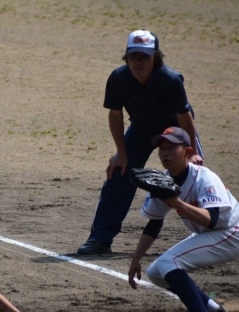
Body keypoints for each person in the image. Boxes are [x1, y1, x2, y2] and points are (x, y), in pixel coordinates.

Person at [78, 30, 204, 255]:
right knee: (119, 172)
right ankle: (100, 239)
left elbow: (184, 117)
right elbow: (115, 114)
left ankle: (210, 233)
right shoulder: (118, 78)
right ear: (126, 57)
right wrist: (121, 153)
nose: (138, 61)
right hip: (141, 129)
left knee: (194, 177)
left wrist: (192, 151)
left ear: (155, 58)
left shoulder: (170, 79)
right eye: (133, 56)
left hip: (174, 131)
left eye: (144, 56)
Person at [127, 127, 239, 312]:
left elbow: (211, 220)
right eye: (162, 148)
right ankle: (212, 309)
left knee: (169, 263)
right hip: (209, 234)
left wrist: (176, 202)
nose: (165, 153)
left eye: (172, 147)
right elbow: (154, 223)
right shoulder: (162, 182)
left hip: (231, 233)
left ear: (187, 151)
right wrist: (136, 259)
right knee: (155, 272)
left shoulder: (205, 178)